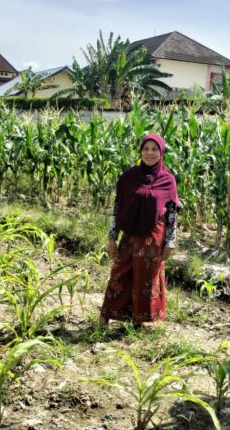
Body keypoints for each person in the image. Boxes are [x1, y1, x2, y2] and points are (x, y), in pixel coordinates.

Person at [98, 134, 180, 327]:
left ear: (161, 152)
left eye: (154, 149)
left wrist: (170, 242)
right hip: (130, 236)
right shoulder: (129, 177)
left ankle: (138, 321)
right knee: (119, 274)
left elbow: (172, 215)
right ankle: (105, 316)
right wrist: (112, 237)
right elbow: (118, 208)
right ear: (140, 151)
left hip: (153, 238)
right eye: (146, 149)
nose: (149, 153)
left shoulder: (167, 180)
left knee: (145, 280)